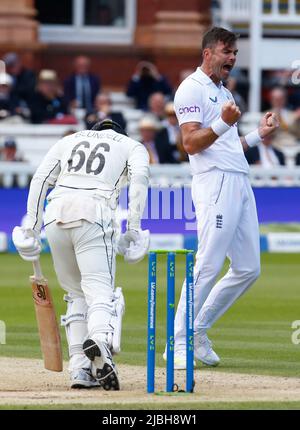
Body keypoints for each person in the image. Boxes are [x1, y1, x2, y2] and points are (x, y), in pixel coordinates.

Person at [170, 27, 279, 369]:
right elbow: (190, 143)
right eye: (226, 51)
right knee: (208, 262)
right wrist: (220, 124)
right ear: (208, 53)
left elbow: (230, 145)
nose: (232, 58)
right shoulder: (191, 88)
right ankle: (178, 342)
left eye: (234, 52)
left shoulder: (222, 91)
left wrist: (257, 135)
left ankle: (198, 329)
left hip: (239, 181)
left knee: (248, 267)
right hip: (214, 184)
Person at [12, 119, 150, 390]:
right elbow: (140, 180)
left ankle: (80, 369)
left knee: (75, 293)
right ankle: (99, 339)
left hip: (56, 213)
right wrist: (133, 227)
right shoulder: (132, 146)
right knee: (101, 291)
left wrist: (31, 224)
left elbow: (41, 178)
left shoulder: (70, 139)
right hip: (94, 211)